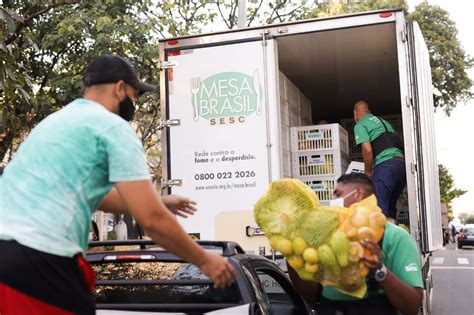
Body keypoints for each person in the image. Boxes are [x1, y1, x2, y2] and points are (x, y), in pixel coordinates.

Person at [0, 55, 235, 315]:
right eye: (134, 96)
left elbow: (98, 197)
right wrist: (206, 261)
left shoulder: (55, 123)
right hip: (42, 260)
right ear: (119, 88)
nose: (133, 104)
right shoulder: (112, 128)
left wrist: (160, 201)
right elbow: (153, 221)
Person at [288, 173, 423, 315]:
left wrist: (379, 271)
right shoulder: (326, 239)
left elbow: (412, 306)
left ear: (358, 194)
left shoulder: (395, 237)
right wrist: (293, 260)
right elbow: (312, 297)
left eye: (338, 194)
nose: (333, 201)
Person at [353, 100, 405, 222]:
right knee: (391, 210)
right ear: (368, 111)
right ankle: (392, 239)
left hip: (386, 167)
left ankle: (382, 240)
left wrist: (367, 172)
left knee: (380, 209)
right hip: (401, 167)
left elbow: (367, 150)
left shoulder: (360, 124)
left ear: (355, 114)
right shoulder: (384, 122)